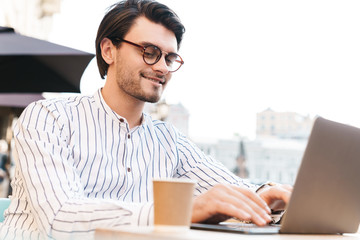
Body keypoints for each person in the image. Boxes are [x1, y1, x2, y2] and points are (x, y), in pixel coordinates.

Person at [0, 0, 291, 239]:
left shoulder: (168, 140)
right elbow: (61, 218)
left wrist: (267, 195)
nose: (162, 67)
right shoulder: (49, 118)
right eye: (149, 52)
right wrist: (179, 210)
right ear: (108, 50)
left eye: (170, 58)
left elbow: (230, 189)